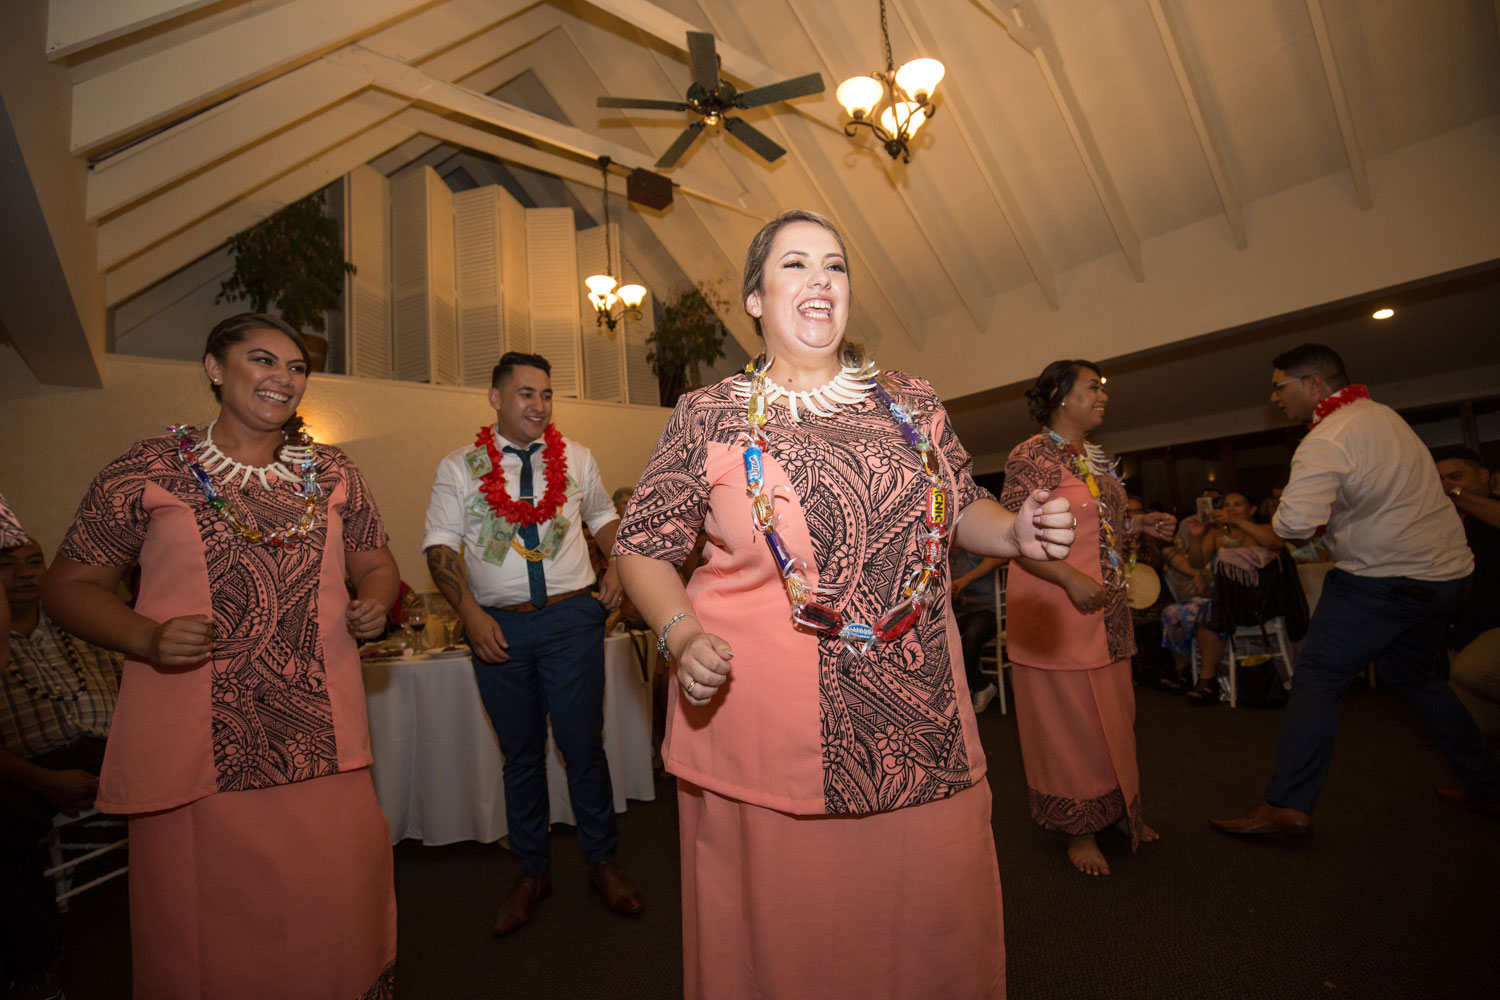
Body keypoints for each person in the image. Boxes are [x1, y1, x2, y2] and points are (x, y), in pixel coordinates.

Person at [613, 210, 1074, 998]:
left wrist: (1018, 531)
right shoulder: (708, 414)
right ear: (755, 299)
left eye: (835, 265)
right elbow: (643, 547)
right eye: (794, 265)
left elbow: (961, 505)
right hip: (765, 718)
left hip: (916, 710)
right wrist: (683, 637)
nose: (821, 279)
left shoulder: (912, 402)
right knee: (792, 941)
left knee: (930, 923)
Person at [41, 313, 400, 998]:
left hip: (320, 734)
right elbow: (68, 586)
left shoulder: (330, 471)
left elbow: (378, 566)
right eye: (263, 361)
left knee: (338, 901)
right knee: (210, 923)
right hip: (197, 741)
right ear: (214, 368)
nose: (283, 379)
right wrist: (144, 638)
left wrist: (374, 603)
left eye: (296, 368)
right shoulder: (146, 470)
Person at [1210, 344, 1500, 835]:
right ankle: (1490, 787)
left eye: (1280, 387)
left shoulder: (1328, 437)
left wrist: (1281, 514)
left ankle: (1286, 804)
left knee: (1319, 679)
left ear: (1314, 385)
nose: (1275, 397)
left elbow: (1295, 526)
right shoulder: (1384, 417)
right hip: (1448, 575)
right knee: (1417, 678)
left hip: (1384, 579)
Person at [422, 351, 641, 936]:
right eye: (525, 393)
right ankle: (531, 872)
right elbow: (440, 548)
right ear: (496, 398)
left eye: (546, 394)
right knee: (520, 755)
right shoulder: (461, 467)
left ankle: (601, 863)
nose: (538, 405)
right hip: (499, 627)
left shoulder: (579, 461)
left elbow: (603, 520)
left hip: (573, 620)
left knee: (582, 745)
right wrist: (469, 615)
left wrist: (617, 562)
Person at [1002, 360, 1176, 876]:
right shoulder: (1031, 456)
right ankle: (1079, 830)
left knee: (1116, 720)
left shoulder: (1091, 460)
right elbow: (1016, 536)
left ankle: (1120, 809)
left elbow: (1094, 523)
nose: (1103, 396)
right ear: (1059, 396)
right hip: (1059, 614)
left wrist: (1138, 521)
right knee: (1069, 726)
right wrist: (1069, 579)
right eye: (1092, 388)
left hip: (1108, 615)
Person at [2, 538, 123, 1000]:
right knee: (6, 828)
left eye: (35, 562)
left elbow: (136, 685)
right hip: (29, 766)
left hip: (111, 747)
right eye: (7, 566)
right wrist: (44, 781)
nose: (26, 575)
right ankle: (36, 970)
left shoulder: (80, 620)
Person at [1182, 491, 1298, 706]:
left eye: (1238, 505)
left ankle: (1207, 680)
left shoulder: (1262, 530)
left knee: (1210, 613)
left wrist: (1237, 522)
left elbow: (1276, 544)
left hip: (1261, 604)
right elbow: (1197, 562)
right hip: (1228, 604)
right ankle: (1207, 679)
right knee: (1206, 613)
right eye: (1227, 505)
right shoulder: (1216, 536)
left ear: (1252, 509)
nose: (1231, 509)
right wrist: (1196, 537)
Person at [1433, 447, 1500, 736]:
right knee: (1467, 723)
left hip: (1496, 627)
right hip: (1464, 630)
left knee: (1471, 670)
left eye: (1456, 477)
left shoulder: (1491, 507)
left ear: (1483, 475)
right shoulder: (1445, 522)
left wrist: (1455, 493)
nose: (1446, 485)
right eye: (1440, 480)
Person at [951, 547, 1006, 713]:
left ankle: (982, 685)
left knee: (971, 637)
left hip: (989, 611)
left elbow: (1000, 557)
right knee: (942, 638)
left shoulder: (972, 547)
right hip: (963, 612)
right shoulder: (942, 557)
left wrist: (966, 580)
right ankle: (961, 690)